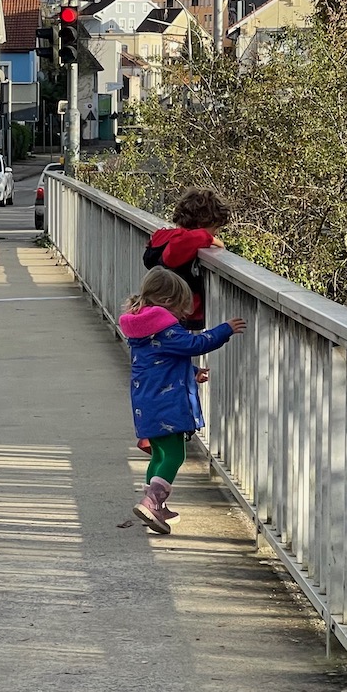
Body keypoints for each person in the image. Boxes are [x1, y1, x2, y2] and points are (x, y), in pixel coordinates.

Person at [118, 267, 247, 535]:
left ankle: (156, 505)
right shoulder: (165, 328)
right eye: (180, 309)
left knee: (159, 453)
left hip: (146, 401)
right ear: (166, 303)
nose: (183, 316)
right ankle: (152, 501)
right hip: (167, 404)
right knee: (176, 454)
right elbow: (195, 345)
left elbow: (158, 362)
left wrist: (190, 372)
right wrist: (225, 330)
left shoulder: (141, 328)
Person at [143, 187, 231, 331]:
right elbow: (176, 251)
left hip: (165, 306)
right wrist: (211, 240)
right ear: (201, 225)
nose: (215, 233)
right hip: (176, 310)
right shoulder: (181, 240)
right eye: (214, 228)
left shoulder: (166, 236)